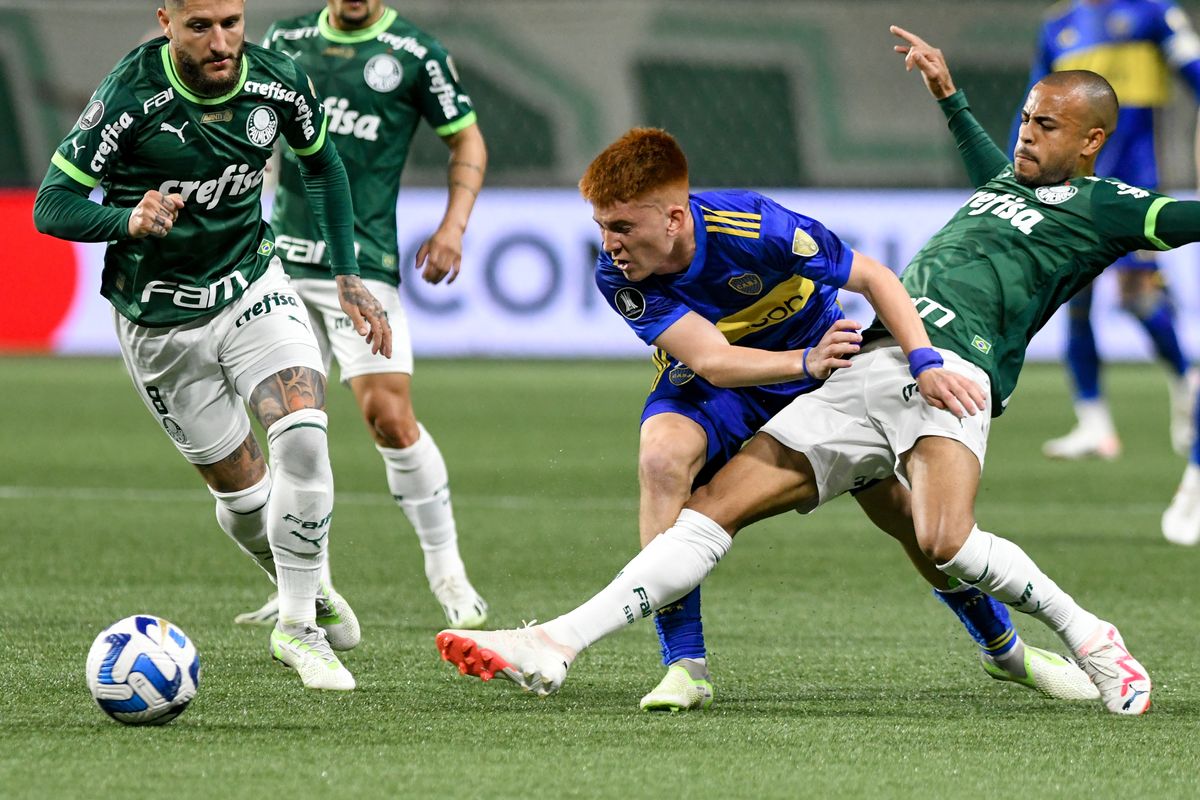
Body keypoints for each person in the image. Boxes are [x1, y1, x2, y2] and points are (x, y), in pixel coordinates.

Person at [433, 25, 1185, 717]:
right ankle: (557, 643)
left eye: (1044, 126)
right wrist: (950, 97)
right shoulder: (1011, 184)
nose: (1024, 134)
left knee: (943, 540)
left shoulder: (1109, 207)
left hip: (949, 369)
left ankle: (1088, 636)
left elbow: (1174, 221)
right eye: (1023, 118)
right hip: (869, 360)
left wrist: (924, 359)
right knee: (709, 507)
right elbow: (1000, 171)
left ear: (1091, 142)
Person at [582, 129, 1099, 711]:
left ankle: (1004, 650)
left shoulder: (755, 226)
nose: (609, 243)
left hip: (818, 364)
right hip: (730, 376)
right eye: (602, 226)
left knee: (909, 519)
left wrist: (923, 360)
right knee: (662, 457)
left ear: (674, 218)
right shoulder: (615, 273)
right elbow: (712, 361)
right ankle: (684, 666)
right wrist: (802, 361)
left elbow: (877, 279)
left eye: (621, 227)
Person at [33, 0, 393, 691]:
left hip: (252, 287)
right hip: (160, 323)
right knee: (246, 497)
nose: (221, 40)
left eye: (231, 21)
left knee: (305, 435)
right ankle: (306, 581)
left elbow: (323, 165)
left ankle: (298, 629)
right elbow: (52, 205)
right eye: (201, 26)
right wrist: (125, 218)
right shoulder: (129, 98)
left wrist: (347, 273)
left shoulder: (277, 81)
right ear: (166, 21)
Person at [237, 0, 489, 630]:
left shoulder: (415, 54)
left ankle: (447, 572)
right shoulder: (287, 37)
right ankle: (305, 588)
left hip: (364, 264)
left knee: (389, 418)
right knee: (289, 429)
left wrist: (452, 227)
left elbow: (466, 139)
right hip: (281, 265)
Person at [1024, 0, 1200, 460]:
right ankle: (1094, 423)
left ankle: (1187, 383)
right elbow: (1032, 107)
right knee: (1074, 299)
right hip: (1072, 185)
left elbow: (1195, 70)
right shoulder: (1058, 26)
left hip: (1132, 185)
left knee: (1139, 296)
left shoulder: (1152, 13)